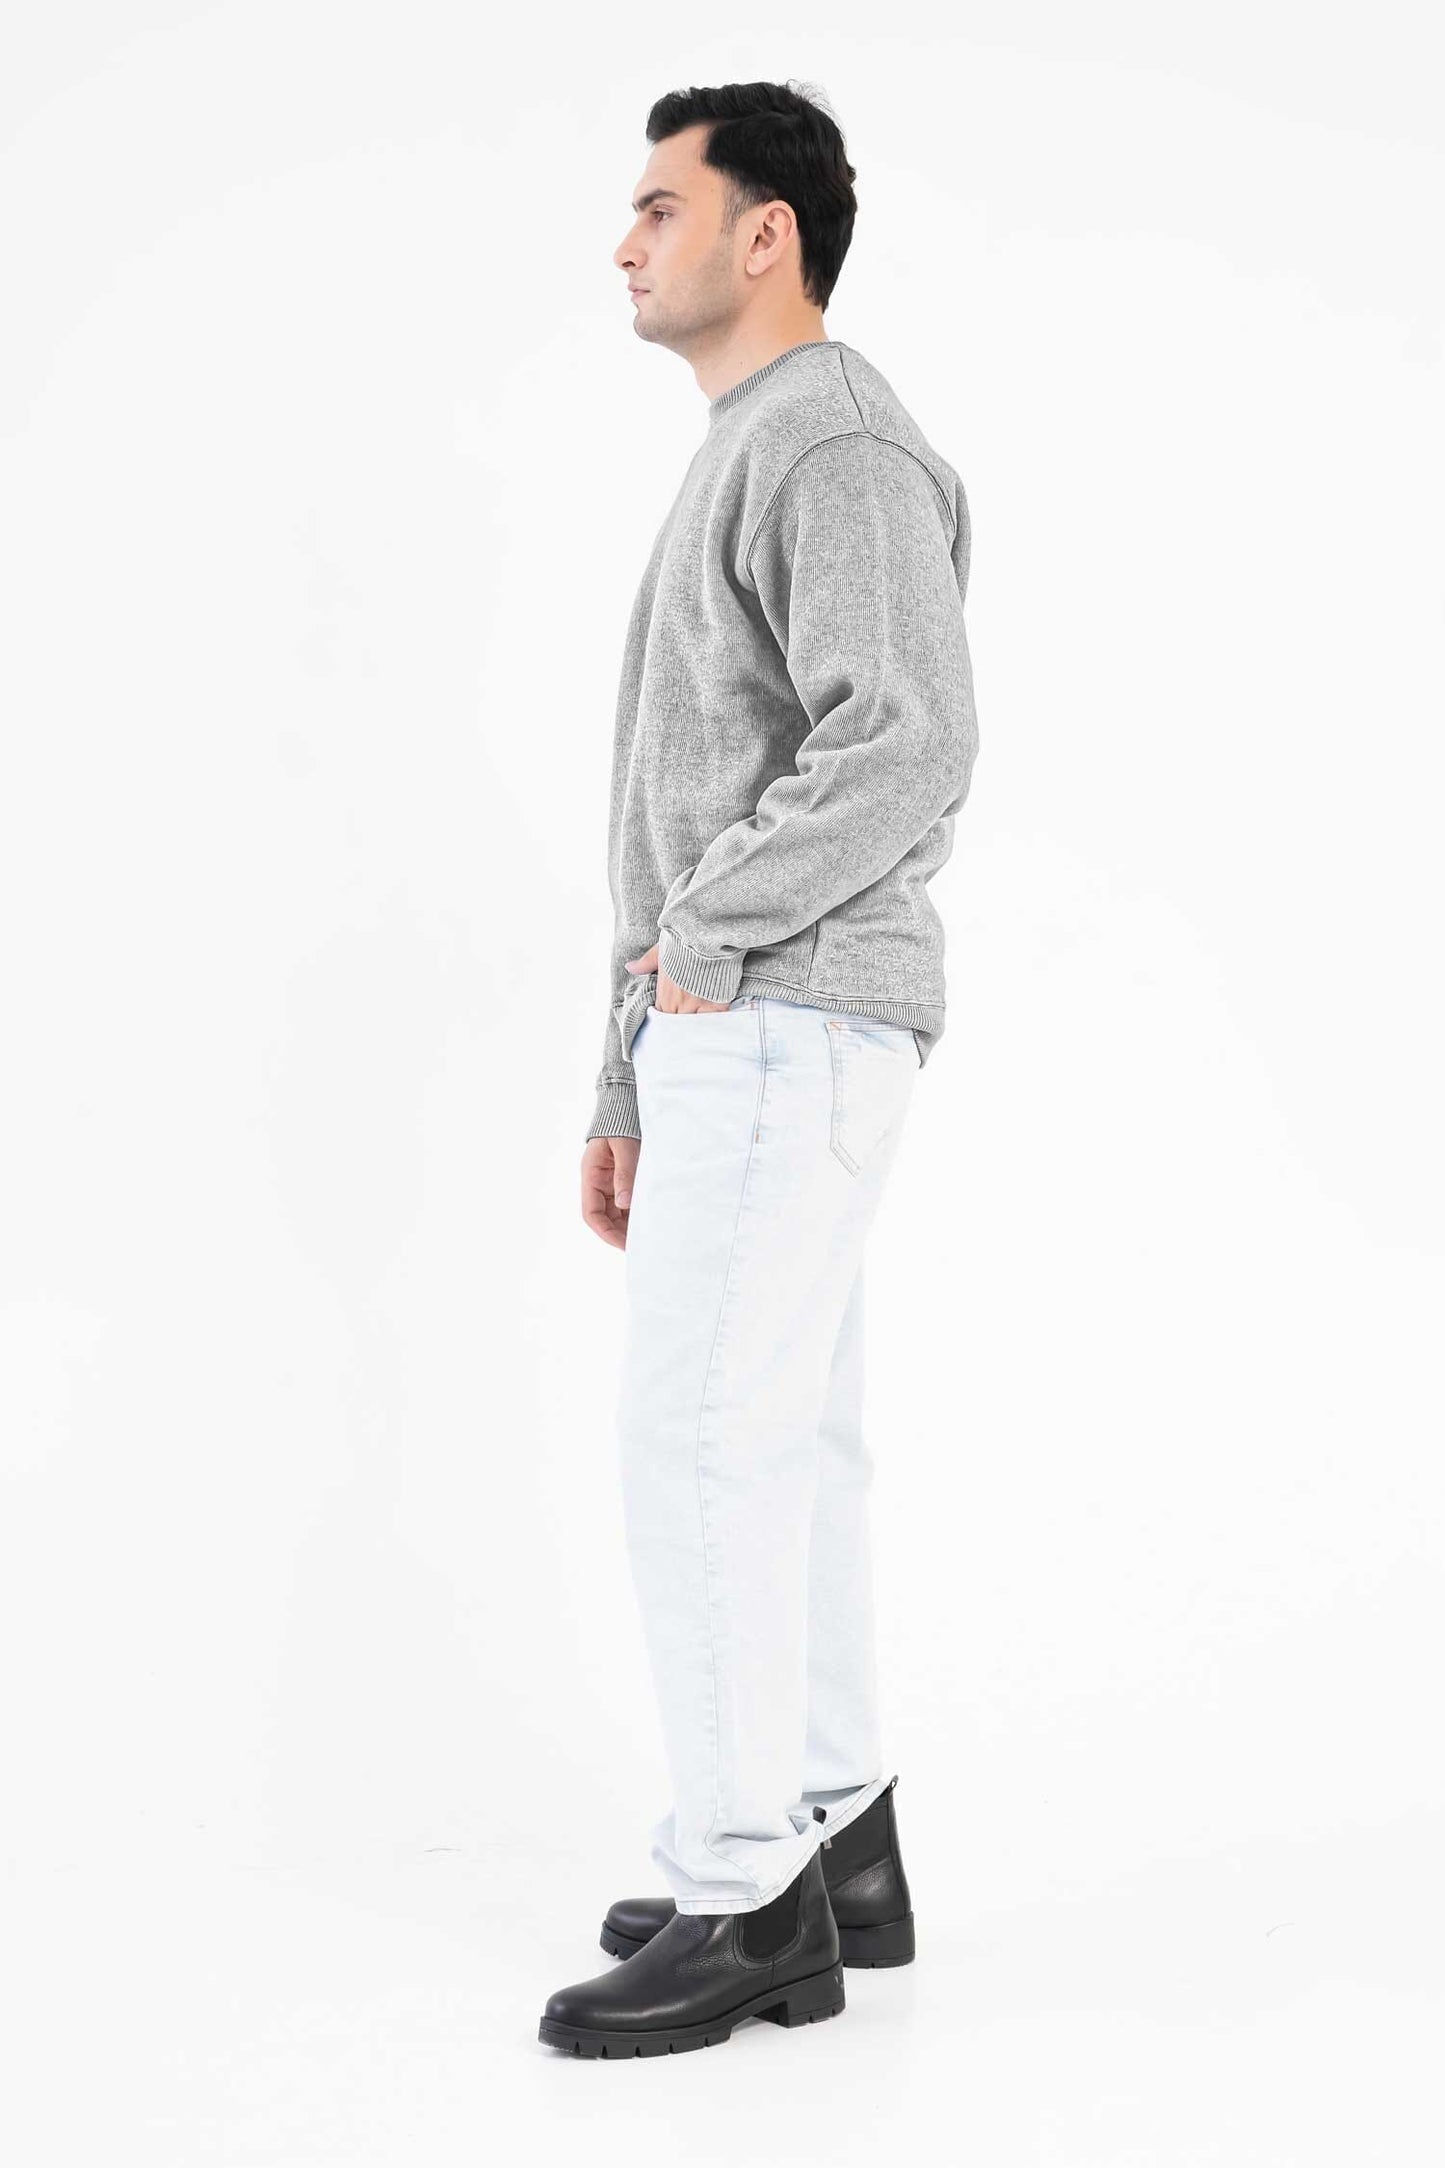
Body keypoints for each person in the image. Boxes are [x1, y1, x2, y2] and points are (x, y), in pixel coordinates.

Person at [541, 79, 980, 2059]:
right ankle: (833, 1838)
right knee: (782, 1434)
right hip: (751, 1020)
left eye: (659, 206)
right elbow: (692, 792)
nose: (626, 242)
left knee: (706, 1442)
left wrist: (702, 961)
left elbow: (907, 738)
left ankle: (746, 1893)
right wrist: (627, 1071)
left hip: (786, 1008)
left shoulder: (834, 439)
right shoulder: (761, 442)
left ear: (764, 232)